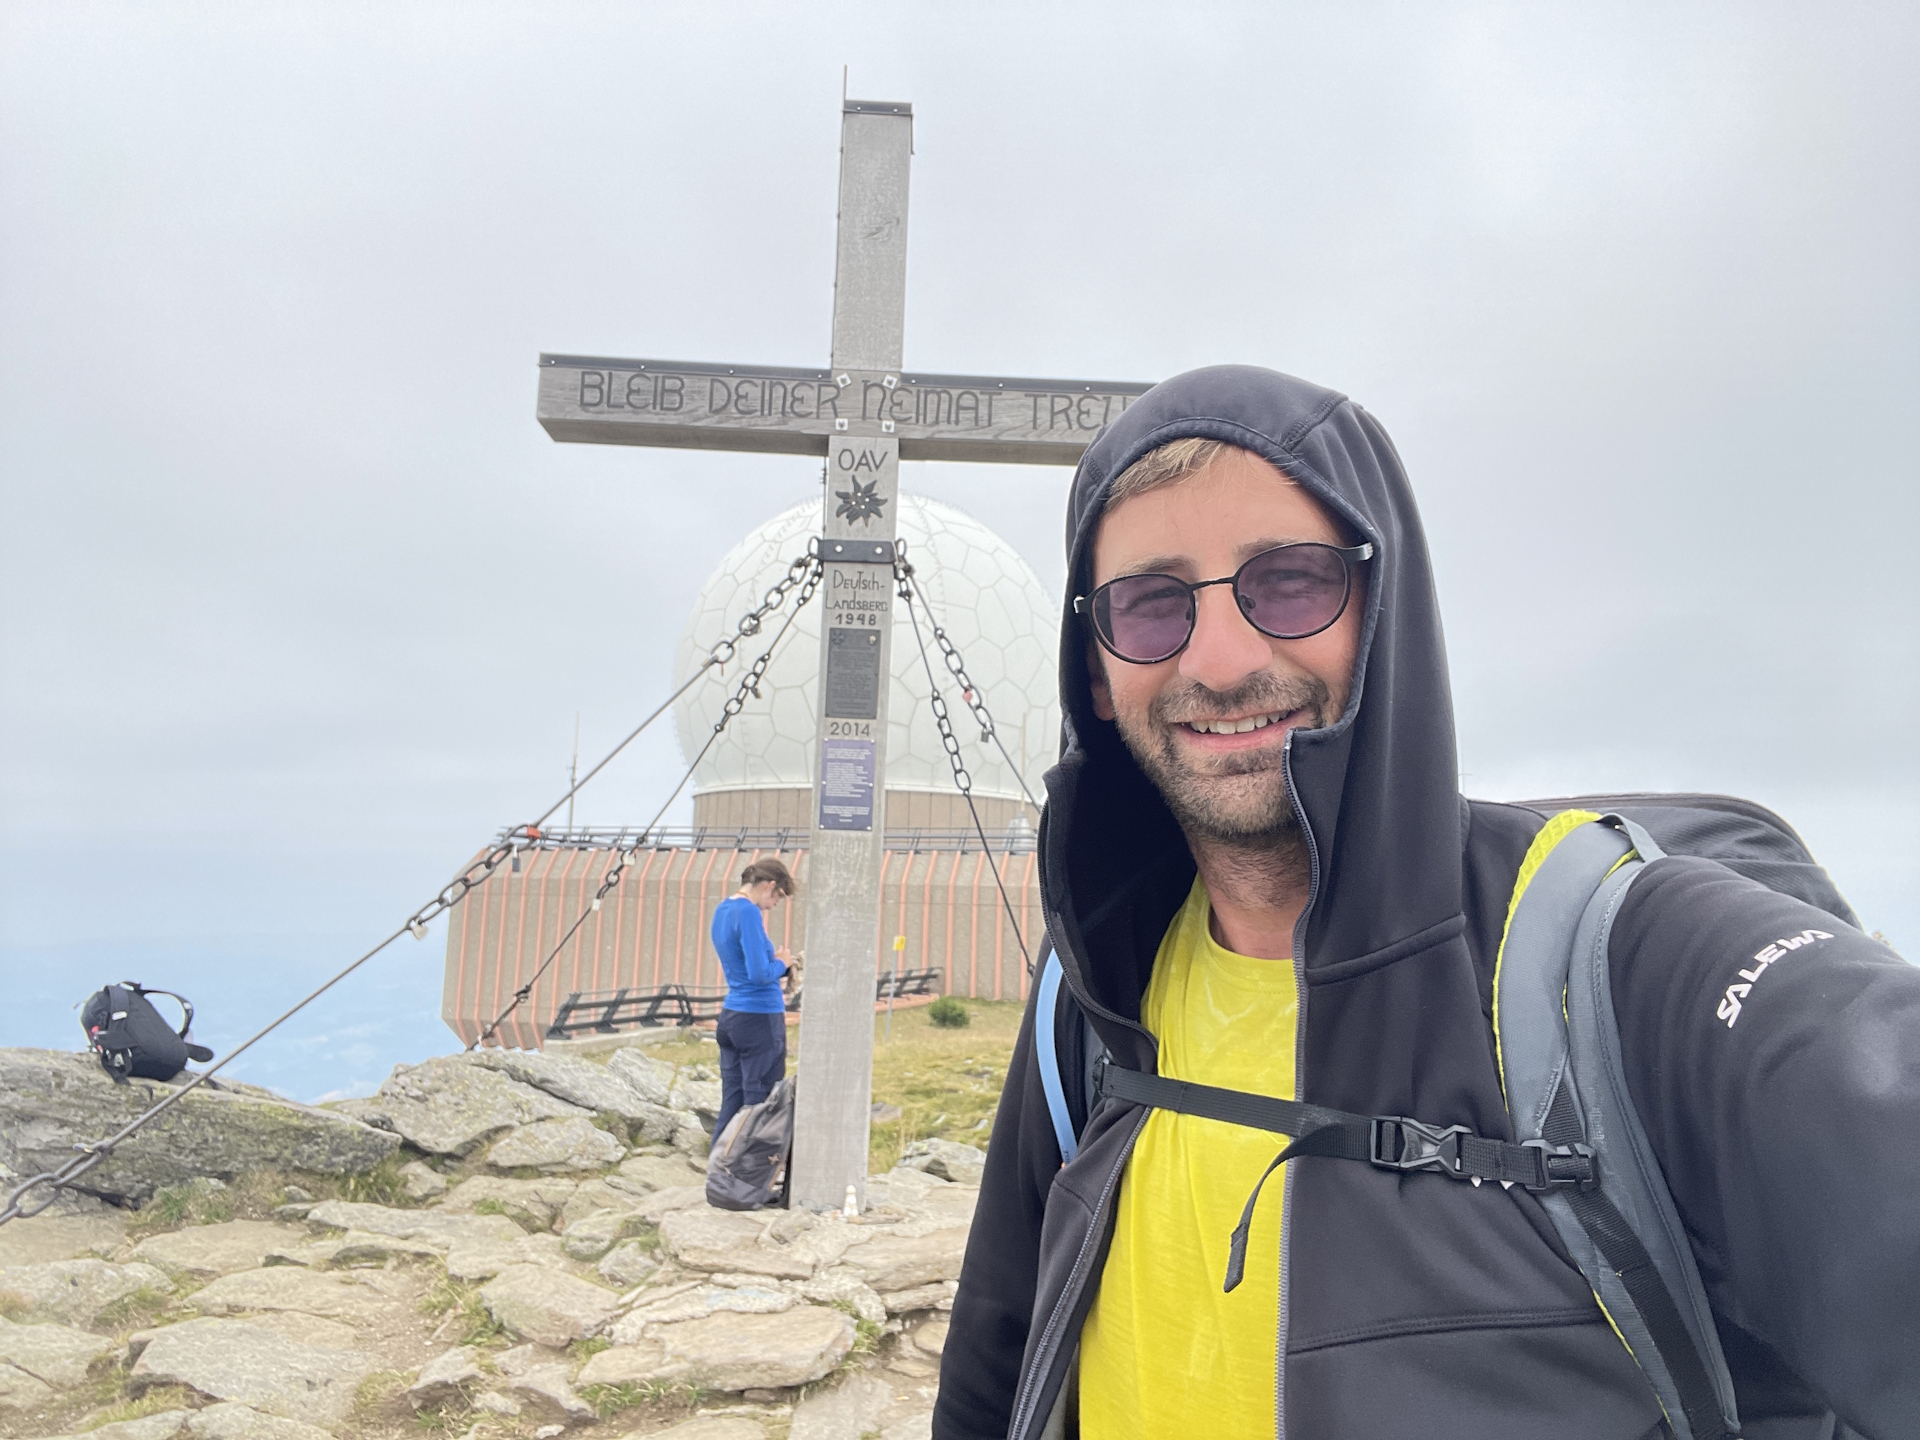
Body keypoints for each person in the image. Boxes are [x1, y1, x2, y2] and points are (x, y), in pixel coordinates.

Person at [932, 366, 1920, 1440]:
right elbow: (997, 1355)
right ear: (1093, 661)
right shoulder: (1095, 989)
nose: (1218, 661)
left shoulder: (1620, 961)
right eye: (1152, 603)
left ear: (1386, 603)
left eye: (1292, 582)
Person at [709, 858, 800, 1147]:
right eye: (778, 896)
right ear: (769, 885)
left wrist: (775, 963)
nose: (775, 904)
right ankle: (747, 1181)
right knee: (761, 1105)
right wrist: (783, 962)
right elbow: (760, 974)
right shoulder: (749, 912)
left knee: (732, 1103)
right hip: (759, 1018)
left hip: (732, 1016)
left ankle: (718, 1173)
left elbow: (741, 963)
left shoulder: (724, 909)